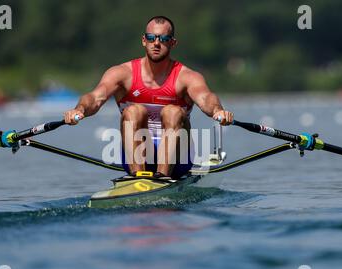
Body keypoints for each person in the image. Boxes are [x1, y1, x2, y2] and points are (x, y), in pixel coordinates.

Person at [64, 16, 234, 179]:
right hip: (135, 156)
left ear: (173, 43)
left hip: (179, 160)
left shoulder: (187, 77)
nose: (157, 43)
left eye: (164, 39)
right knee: (134, 111)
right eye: (151, 38)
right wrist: (80, 110)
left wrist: (217, 110)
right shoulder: (122, 73)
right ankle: (138, 178)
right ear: (144, 40)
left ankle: (163, 176)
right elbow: (95, 98)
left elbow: (206, 98)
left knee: (172, 112)